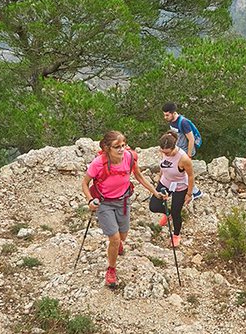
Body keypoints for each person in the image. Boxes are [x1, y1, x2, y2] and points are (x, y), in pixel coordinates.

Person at [81, 131, 161, 288]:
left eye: (123, 145)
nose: (121, 149)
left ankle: (118, 245)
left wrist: (155, 192)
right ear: (107, 148)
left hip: (123, 201)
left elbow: (139, 176)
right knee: (115, 238)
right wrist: (90, 200)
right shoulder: (98, 163)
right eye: (116, 147)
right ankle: (111, 269)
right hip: (104, 203)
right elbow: (84, 183)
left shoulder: (129, 158)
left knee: (123, 235)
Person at [148, 132, 194, 247]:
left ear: (174, 147)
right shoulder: (164, 151)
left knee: (176, 212)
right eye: (163, 152)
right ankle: (168, 213)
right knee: (153, 206)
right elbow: (163, 165)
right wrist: (159, 177)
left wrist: (189, 194)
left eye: (167, 152)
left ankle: (176, 235)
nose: (165, 154)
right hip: (165, 182)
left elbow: (191, 176)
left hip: (179, 186)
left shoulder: (183, 159)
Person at [161, 102, 204, 200]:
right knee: (177, 171)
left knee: (183, 173)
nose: (165, 117)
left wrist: (188, 156)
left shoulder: (183, 122)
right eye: (164, 115)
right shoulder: (172, 121)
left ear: (173, 113)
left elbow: (191, 139)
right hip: (178, 148)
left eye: (167, 115)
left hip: (185, 150)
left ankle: (196, 192)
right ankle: (180, 189)